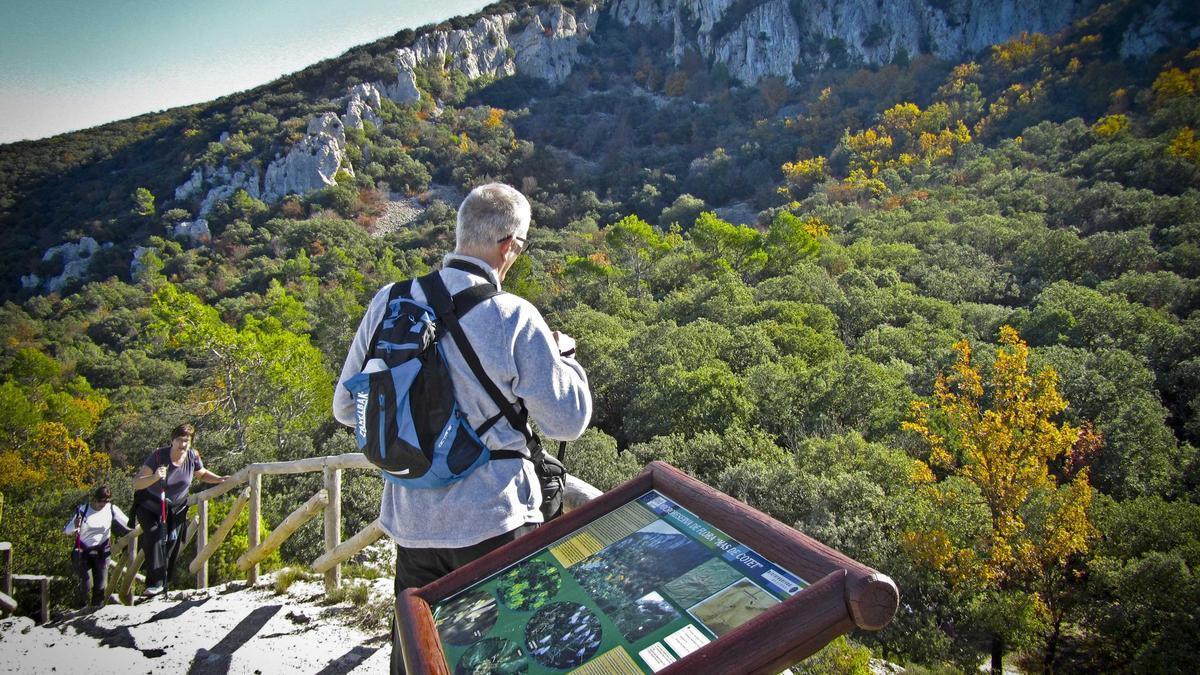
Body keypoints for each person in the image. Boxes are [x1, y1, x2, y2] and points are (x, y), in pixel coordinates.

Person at [333, 182, 591, 672]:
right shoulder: (513, 315)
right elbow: (568, 420)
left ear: (460, 233)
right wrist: (567, 360)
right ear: (508, 246)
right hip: (494, 522)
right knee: (507, 658)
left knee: (419, 657)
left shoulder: (389, 301)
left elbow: (347, 407)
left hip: (411, 525)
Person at [131, 423, 227, 596]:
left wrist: (219, 479)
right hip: (150, 505)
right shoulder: (159, 455)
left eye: (187, 441)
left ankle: (162, 586)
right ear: (172, 440)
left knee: (171, 545)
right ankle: (154, 584)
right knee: (154, 537)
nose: (183, 444)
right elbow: (136, 483)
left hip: (176, 508)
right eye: (180, 440)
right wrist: (154, 477)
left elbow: (202, 474)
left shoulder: (192, 456)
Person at [63, 485, 131, 608]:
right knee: (86, 584)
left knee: (100, 586)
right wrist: (74, 524)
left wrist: (141, 524)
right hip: (83, 551)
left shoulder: (111, 509)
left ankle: (96, 610)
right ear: (95, 499)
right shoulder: (83, 510)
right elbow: (67, 531)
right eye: (101, 500)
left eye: (107, 501)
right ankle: (79, 609)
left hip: (102, 551)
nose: (103, 504)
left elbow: (128, 523)